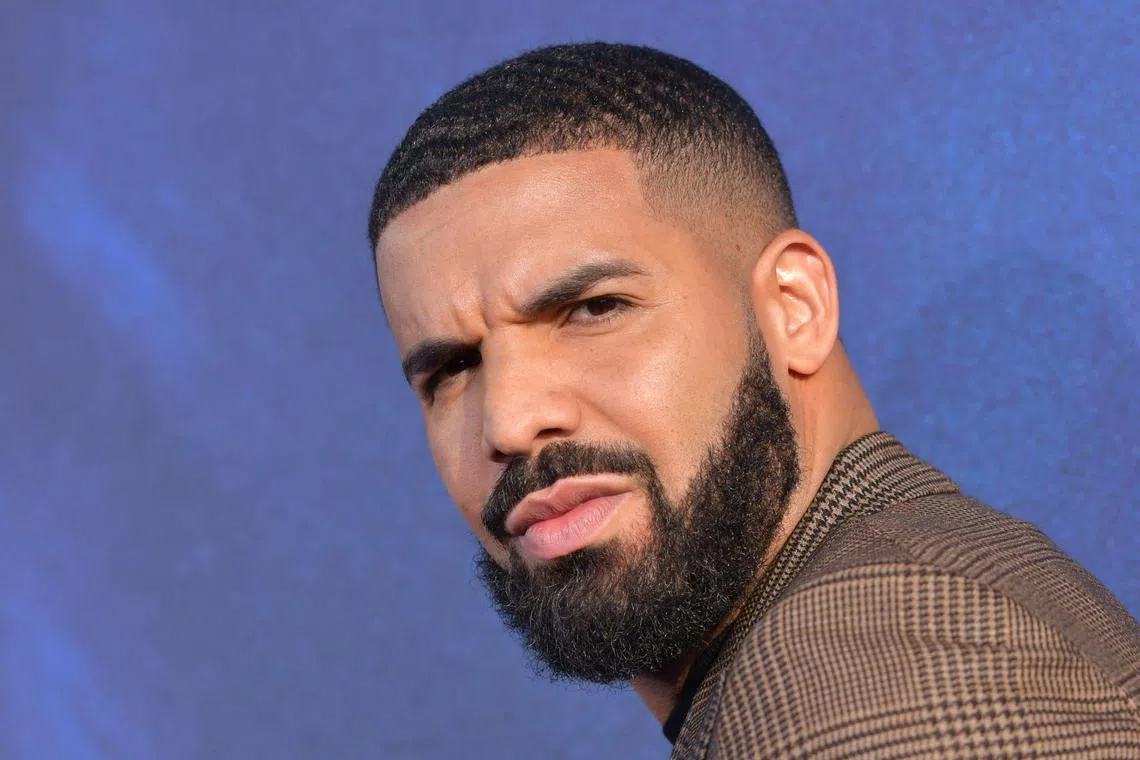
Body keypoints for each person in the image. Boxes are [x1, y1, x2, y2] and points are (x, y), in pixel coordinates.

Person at [367, 42, 1140, 758]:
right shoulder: (920, 605)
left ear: (794, 309)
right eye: (453, 370)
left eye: (594, 309)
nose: (508, 421)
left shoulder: (863, 684)